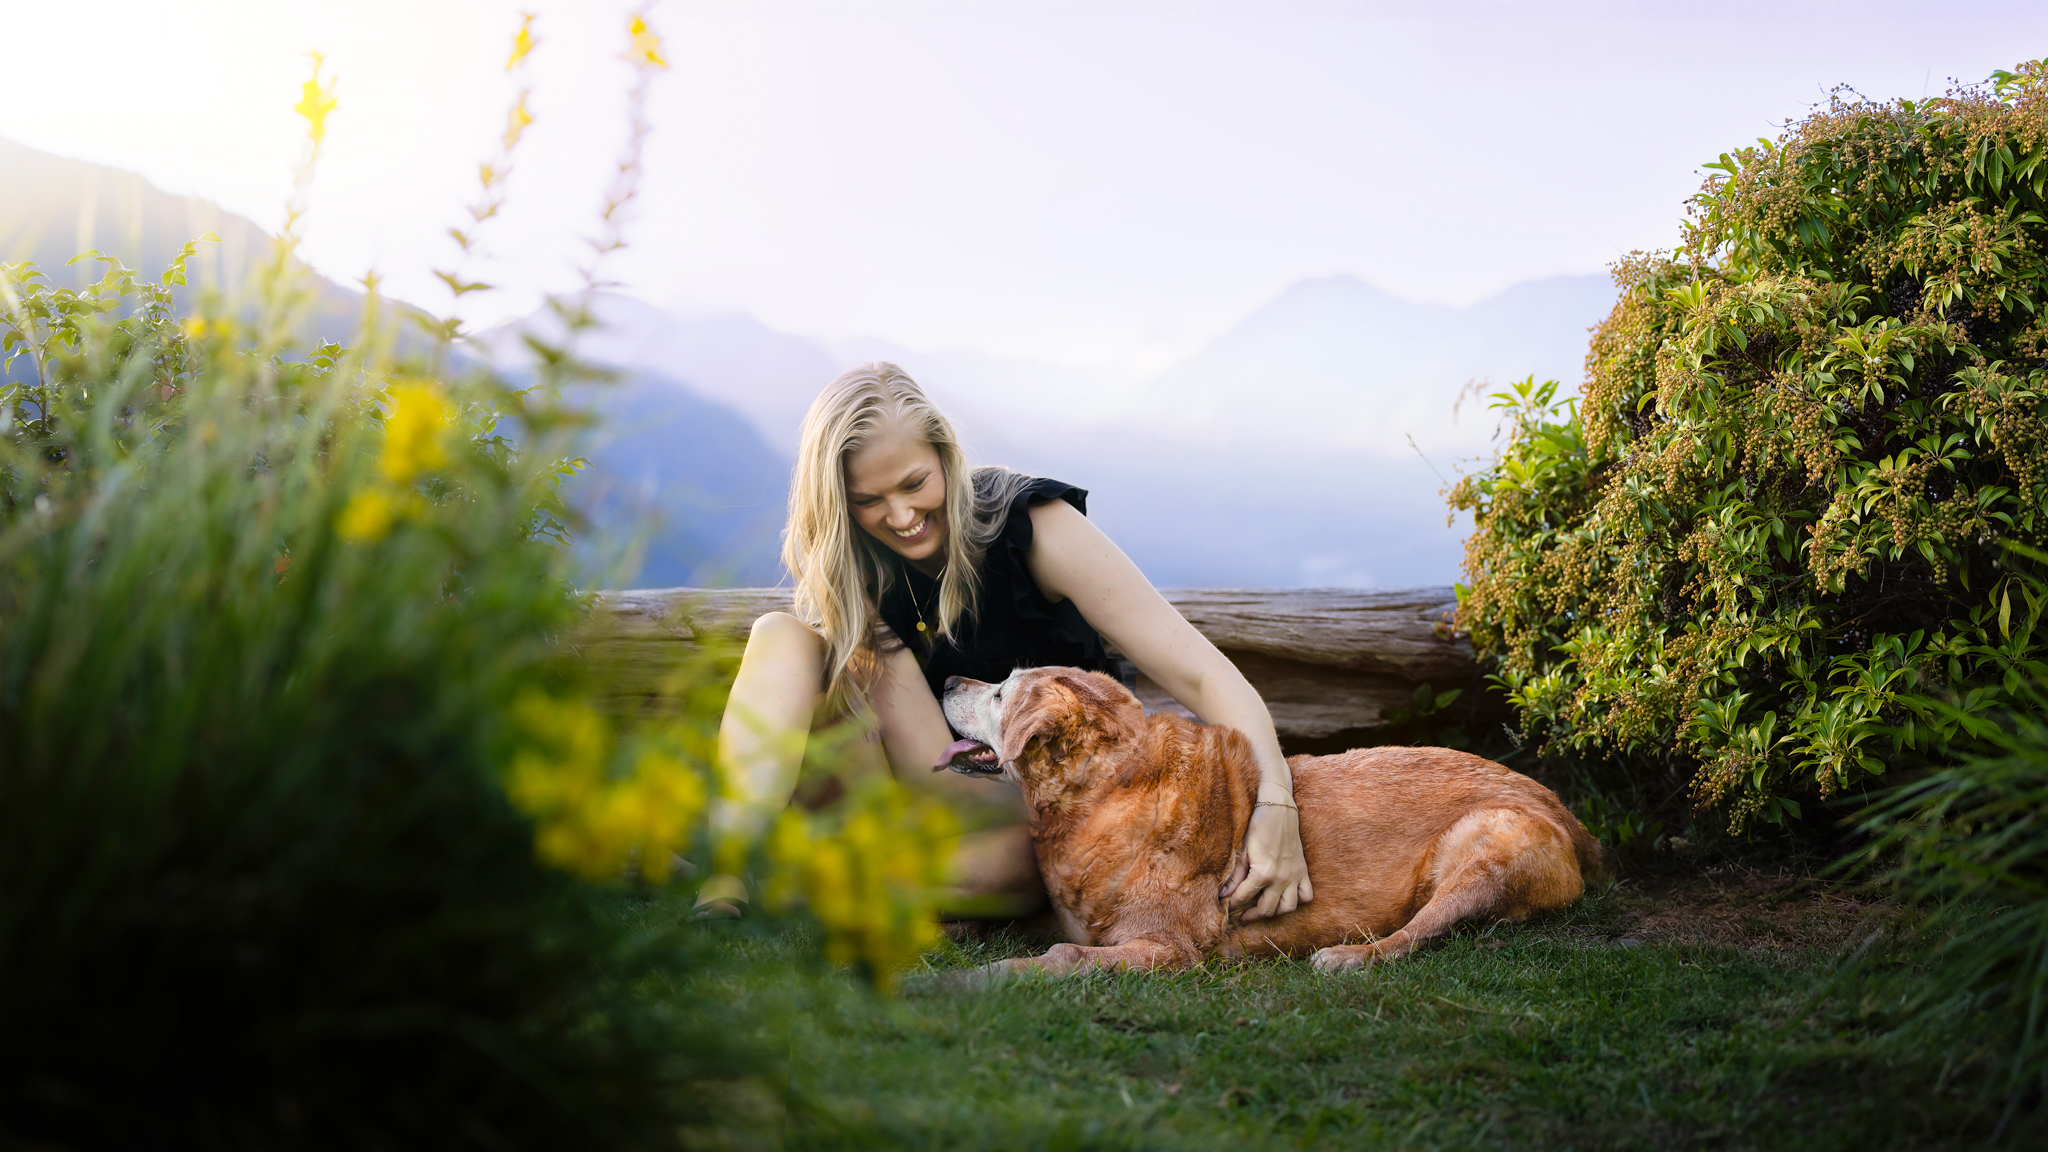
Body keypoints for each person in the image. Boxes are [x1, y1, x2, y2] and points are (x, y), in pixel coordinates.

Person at [712, 362, 1311, 922]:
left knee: (1035, 867)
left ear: (944, 455)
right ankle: (726, 873)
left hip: (1037, 814)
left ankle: (820, 881)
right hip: (911, 790)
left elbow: (1200, 673)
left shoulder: (1032, 528)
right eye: (869, 501)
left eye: (914, 483)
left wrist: (1276, 800)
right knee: (781, 635)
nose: (899, 517)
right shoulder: (854, 559)